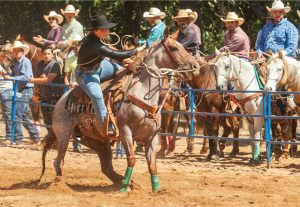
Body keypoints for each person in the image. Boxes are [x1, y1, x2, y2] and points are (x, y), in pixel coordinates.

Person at [76, 13, 145, 135]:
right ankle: (106, 124)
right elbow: (116, 54)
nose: (107, 30)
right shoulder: (94, 44)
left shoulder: (98, 40)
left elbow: (112, 55)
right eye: (104, 29)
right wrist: (136, 50)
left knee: (124, 72)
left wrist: (124, 61)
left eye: (107, 28)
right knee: (97, 96)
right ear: (96, 31)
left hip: (100, 66)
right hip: (86, 75)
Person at [3, 41, 39, 144]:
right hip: (21, 89)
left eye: (19, 50)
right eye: (15, 50)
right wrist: (8, 72)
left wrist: (12, 77)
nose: (17, 52)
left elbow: (26, 77)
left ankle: (18, 139)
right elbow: (14, 74)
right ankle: (35, 136)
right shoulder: (16, 62)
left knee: (17, 114)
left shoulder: (25, 61)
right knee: (23, 115)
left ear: (22, 52)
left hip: (26, 89)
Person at [29, 47, 64, 144]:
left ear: (52, 55)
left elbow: (49, 79)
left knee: (55, 119)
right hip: (44, 94)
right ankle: (52, 139)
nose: (46, 55)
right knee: (46, 119)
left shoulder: (55, 64)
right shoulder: (40, 64)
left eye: (48, 54)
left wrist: (35, 80)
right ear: (42, 54)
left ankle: (57, 140)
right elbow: (39, 76)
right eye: (45, 53)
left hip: (55, 95)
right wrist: (41, 78)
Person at [0, 51, 13, 142]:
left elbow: (7, 74)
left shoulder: (8, 65)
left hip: (6, 89)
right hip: (4, 88)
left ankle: (9, 136)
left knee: (8, 113)